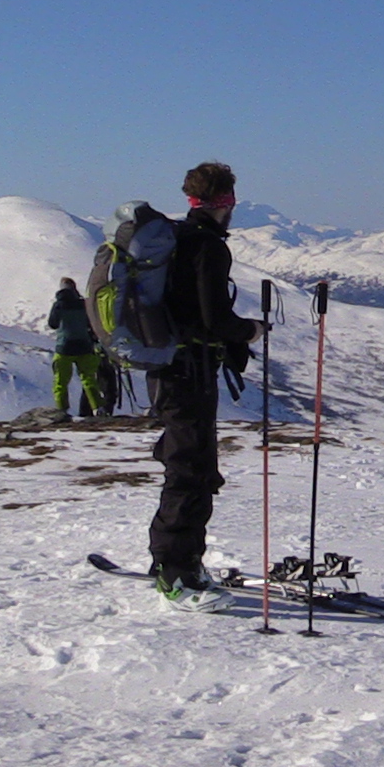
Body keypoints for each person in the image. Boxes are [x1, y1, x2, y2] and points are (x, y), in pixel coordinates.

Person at [147, 161, 260, 612]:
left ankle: (181, 563)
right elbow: (215, 320)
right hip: (189, 371)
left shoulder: (175, 239)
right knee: (191, 468)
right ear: (227, 201)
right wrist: (249, 330)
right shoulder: (209, 248)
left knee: (186, 462)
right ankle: (175, 573)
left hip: (170, 369)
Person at [47, 277, 104, 419]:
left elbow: (52, 324)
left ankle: (62, 411)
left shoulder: (58, 305)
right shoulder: (83, 304)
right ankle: (97, 408)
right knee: (89, 379)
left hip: (64, 347)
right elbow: (92, 323)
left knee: (61, 382)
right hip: (84, 346)